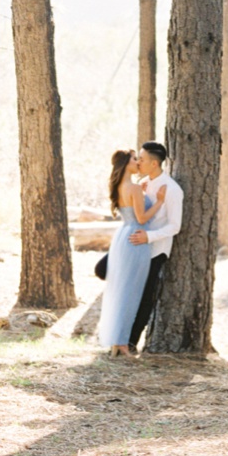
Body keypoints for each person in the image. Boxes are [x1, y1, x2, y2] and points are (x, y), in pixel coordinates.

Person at [96, 148, 159, 356]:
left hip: (123, 236)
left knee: (122, 290)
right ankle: (122, 343)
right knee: (132, 291)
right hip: (136, 239)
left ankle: (118, 341)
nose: (138, 162)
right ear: (125, 164)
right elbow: (142, 218)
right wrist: (159, 202)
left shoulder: (121, 187)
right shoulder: (134, 188)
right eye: (134, 159)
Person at [125, 141, 181, 353]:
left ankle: (131, 342)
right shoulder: (143, 183)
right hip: (135, 248)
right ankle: (120, 337)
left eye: (142, 159)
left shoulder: (172, 189)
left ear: (154, 163)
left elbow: (175, 226)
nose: (138, 162)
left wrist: (149, 237)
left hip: (156, 250)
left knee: (144, 296)